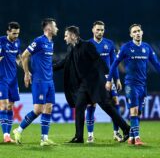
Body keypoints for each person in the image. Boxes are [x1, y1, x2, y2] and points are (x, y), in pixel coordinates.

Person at [54, 26, 130, 143]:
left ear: (73, 35)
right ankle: (79, 137)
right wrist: (49, 69)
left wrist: (108, 79)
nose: (64, 38)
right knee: (79, 107)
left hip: (96, 83)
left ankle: (126, 129)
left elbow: (99, 62)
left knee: (107, 107)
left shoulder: (87, 45)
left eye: (66, 35)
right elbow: (64, 62)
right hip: (84, 85)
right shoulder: (71, 49)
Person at [106, 24, 160, 146]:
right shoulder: (126, 47)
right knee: (134, 111)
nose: (137, 33)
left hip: (142, 85)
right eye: (134, 32)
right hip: (131, 84)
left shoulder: (147, 47)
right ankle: (137, 138)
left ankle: (131, 137)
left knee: (139, 112)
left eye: (138, 31)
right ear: (131, 35)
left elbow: (156, 64)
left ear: (142, 32)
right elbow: (115, 64)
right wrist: (109, 80)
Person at [13, 18, 58, 146]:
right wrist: (26, 73)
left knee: (48, 108)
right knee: (38, 110)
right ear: (48, 28)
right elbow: (24, 55)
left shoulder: (51, 42)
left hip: (50, 81)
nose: (57, 28)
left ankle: (44, 139)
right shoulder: (38, 41)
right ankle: (18, 130)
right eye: (55, 26)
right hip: (39, 81)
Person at [86, 21, 122, 143]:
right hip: (93, 80)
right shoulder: (87, 45)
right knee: (91, 104)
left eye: (102, 30)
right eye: (98, 30)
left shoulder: (109, 44)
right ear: (93, 30)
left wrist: (117, 79)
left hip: (108, 79)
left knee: (115, 102)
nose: (100, 32)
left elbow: (114, 64)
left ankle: (116, 133)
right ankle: (90, 135)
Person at [0, 22, 21, 143]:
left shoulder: (17, 42)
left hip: (13, 80)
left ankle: (8, 135)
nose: (16, 36)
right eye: (14, 33)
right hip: (2, 79)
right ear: (8, 32)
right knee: (3, 106)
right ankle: (6, 136)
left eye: (17, 33)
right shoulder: (1, 41)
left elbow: (18, 57)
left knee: (10, 106)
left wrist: (26, 70)